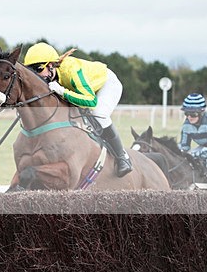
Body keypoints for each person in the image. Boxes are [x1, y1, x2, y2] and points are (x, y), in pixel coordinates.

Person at [23, 42, 133, 177]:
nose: (36, 75)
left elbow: (90, 101)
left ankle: (122, 157)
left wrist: (62, 91)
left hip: (106, 84)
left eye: (38, 69)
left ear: (51, 65)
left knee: (98, 113)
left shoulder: (71, 70)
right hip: (83, 90)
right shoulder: (51, 75)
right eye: (31, 71)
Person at [178, 93, 207, 166]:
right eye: (186, 113)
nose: (189, 117)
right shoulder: (186, 126)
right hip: (204, 146)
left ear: (201, 112)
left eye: (193, 114)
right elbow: (184, 147)